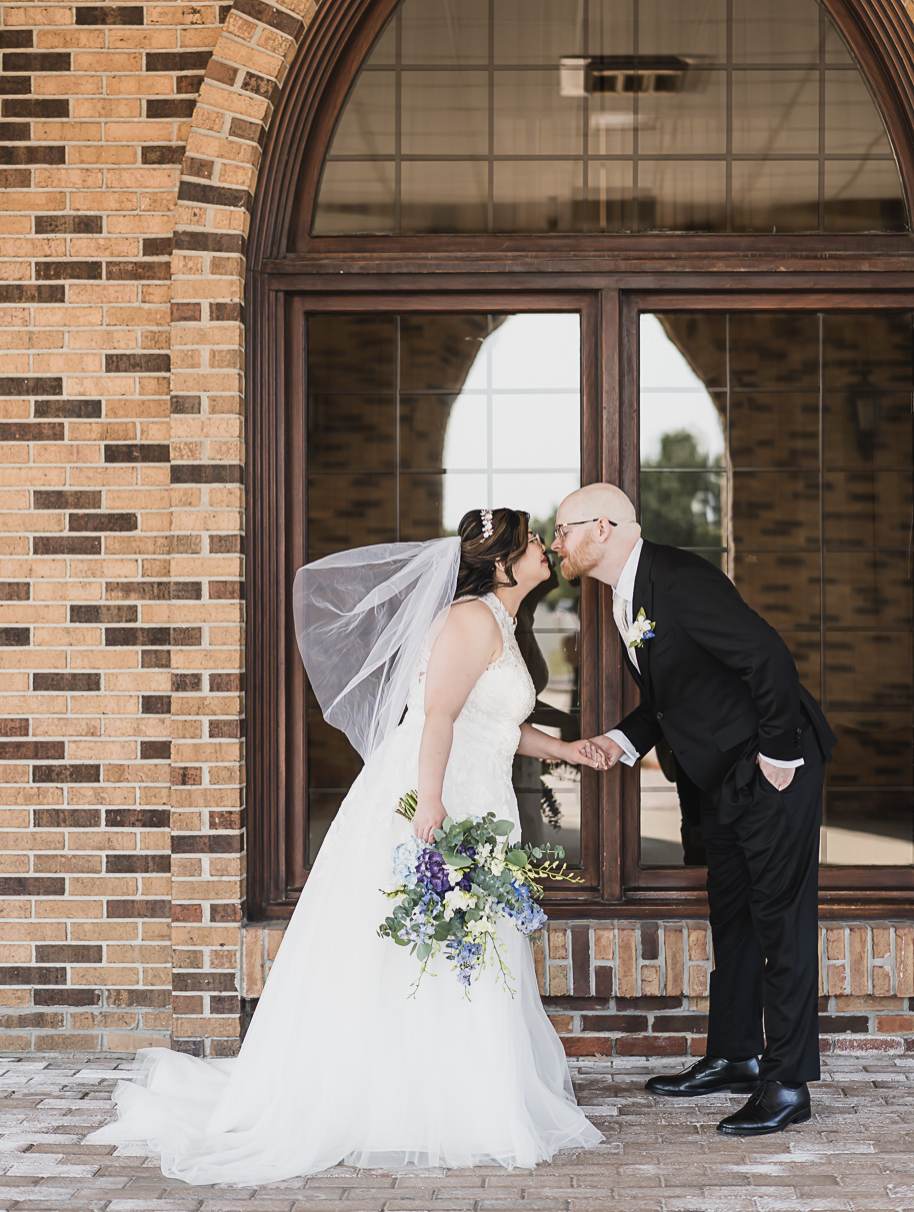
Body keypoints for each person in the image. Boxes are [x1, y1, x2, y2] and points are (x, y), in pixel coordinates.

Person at [86, 509, 605, 1184]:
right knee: (419, 946)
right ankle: (405, 1101)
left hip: (477, 794)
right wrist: (431, 806)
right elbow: (438, 716)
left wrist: (567, 748)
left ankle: (460, 1093)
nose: (542, 549)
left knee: (468, 949)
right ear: (501, 563)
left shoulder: (501, 622)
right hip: (434, 799)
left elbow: (495, 724)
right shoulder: (472, 619)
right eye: (532, 541)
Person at [553, 483, 835, 1138]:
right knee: (733, 918)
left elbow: (765, 656)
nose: (556, 542)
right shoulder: (627, 594)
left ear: (602, 527)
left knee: (779, 922)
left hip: (771, 771)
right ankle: (737, 1054)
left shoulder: (676, 578)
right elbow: (669, 698)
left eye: (563, 529)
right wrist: (619, 742)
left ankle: (788, 1083)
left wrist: (778, 758)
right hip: (721, 780)